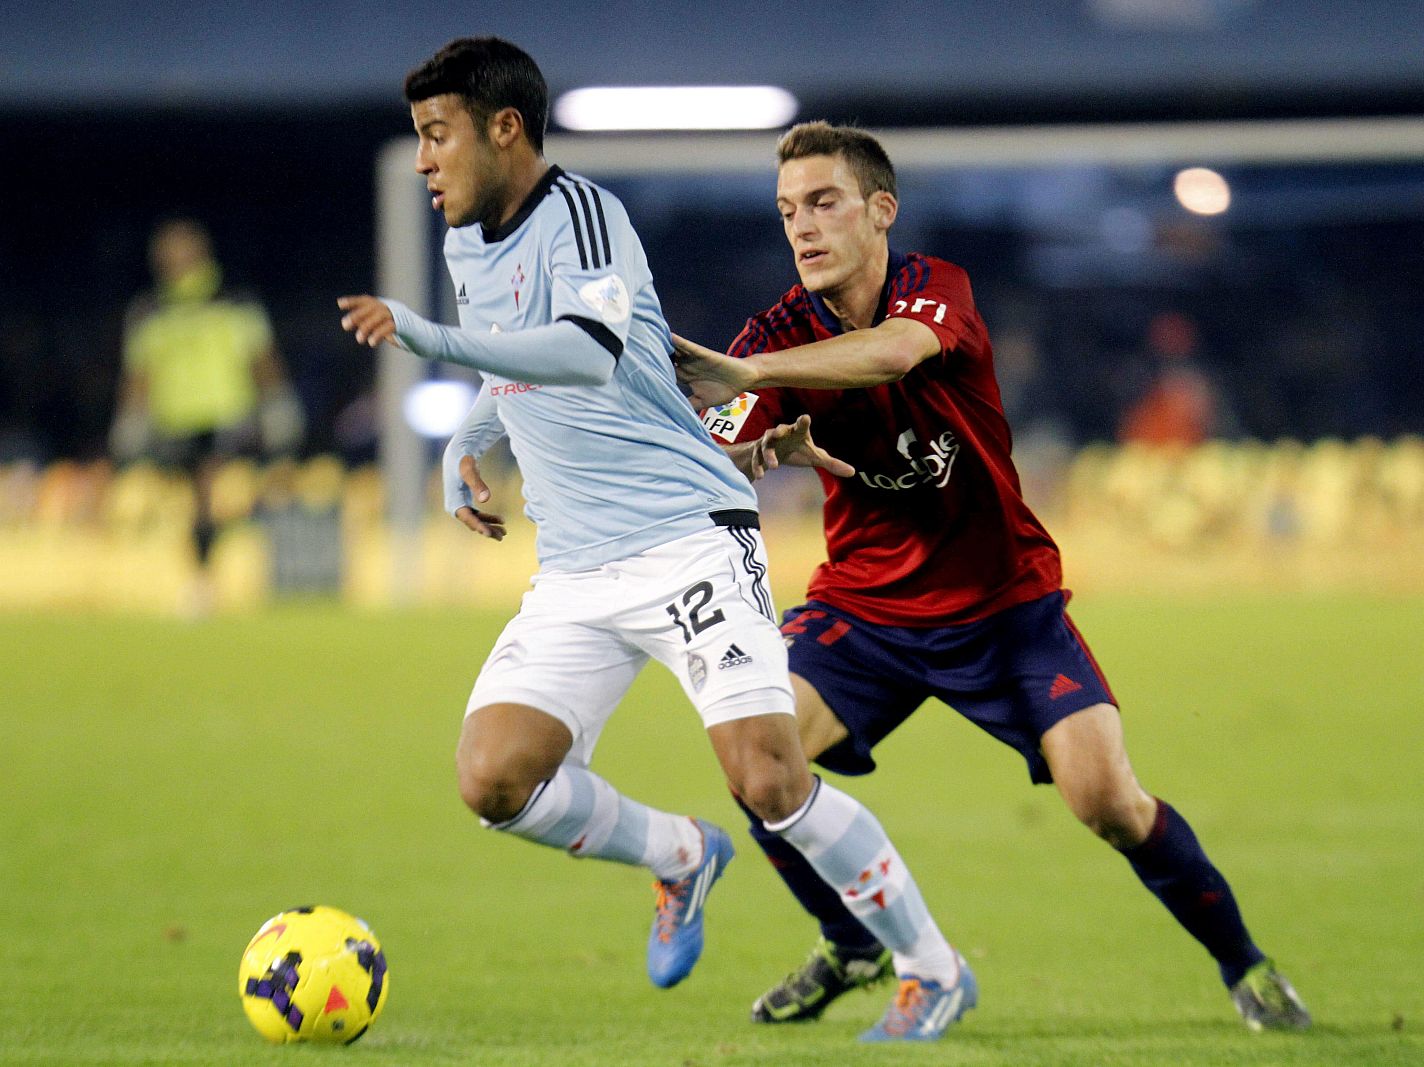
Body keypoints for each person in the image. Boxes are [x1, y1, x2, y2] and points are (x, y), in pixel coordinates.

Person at [335, 40, 976, 1042]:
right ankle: (679, 853)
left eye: (436, 134)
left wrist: (427, 338)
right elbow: (515, 371)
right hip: (575, 564)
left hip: (686, 534)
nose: (424, 160)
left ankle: (932, 965)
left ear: (504, 128)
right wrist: (471, 434)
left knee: (769, 776)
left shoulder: (583, 218)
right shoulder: (467, 239)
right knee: (494, 778)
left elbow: (581, 353)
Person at [672, 120, 1311, 1033]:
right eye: (787, 211)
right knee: (756, 761)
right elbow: (714, 446)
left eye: (823, 202)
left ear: (880, 209)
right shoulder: (773, 330)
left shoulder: (937, 291)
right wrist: (741, 453)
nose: (802, 227)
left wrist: (754, 372)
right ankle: (850, 942)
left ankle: (1244, 965)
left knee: (1109, 802)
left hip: (1006, 609)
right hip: (866, 612)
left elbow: (892, 353)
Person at [113, 218, 302, 612]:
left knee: (214, 496)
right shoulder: (150, 309)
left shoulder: (232, 301)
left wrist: (277, 402)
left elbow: (260, 356)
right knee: (188, 505)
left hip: (227, 415)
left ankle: (217, 581)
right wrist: (130, 418)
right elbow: (141, 370)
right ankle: (203, 578)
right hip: (174, 421)